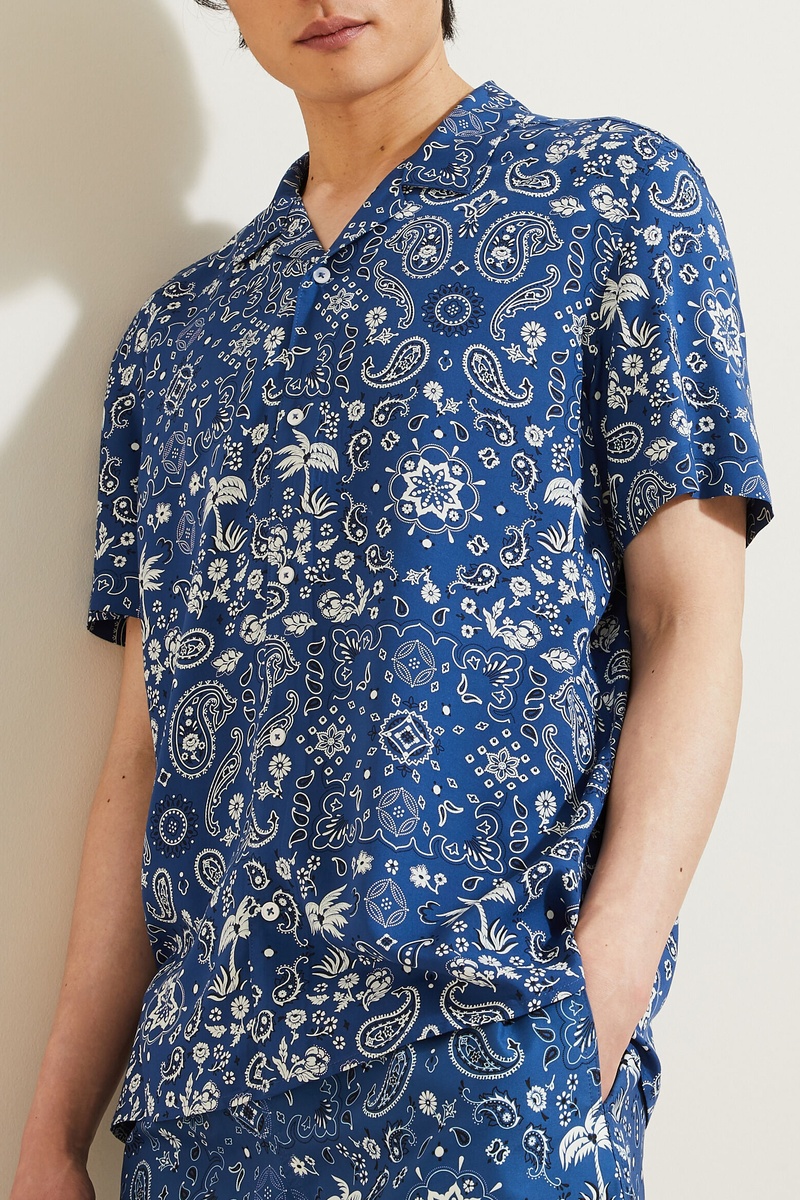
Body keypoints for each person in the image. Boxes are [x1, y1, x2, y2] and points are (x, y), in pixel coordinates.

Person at [11, 2, 774, 1198]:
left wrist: (596, 999)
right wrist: (54, 1135)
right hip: (203, 1110)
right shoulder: (173, 338)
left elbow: (690, 624)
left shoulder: (612, 198)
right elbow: (145, 752)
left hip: (492, 1063)